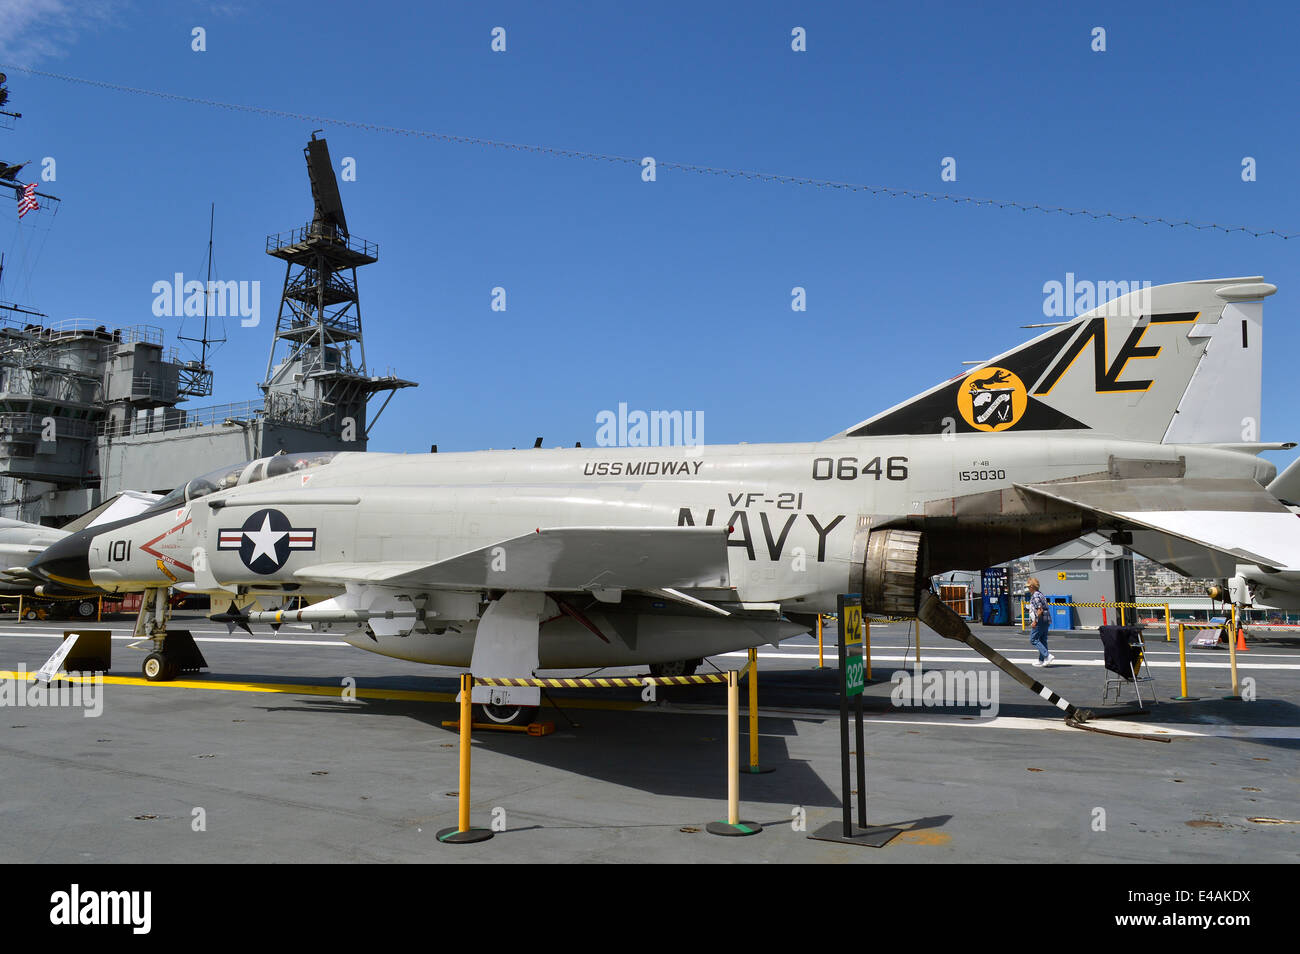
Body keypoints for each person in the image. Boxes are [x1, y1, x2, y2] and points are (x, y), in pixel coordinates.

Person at [1026, 578, 1056, 667]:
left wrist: (1035, 621)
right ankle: (1042, 660)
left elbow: (1039, 610)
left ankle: (1047, 656)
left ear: (1032, 587)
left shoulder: (1035, 595)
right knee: (1043, 640)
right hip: (1046, 619)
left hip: (1040, 620)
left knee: (1033, 639)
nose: (1028, 589)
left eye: (1028, 587)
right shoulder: (1040, 594)